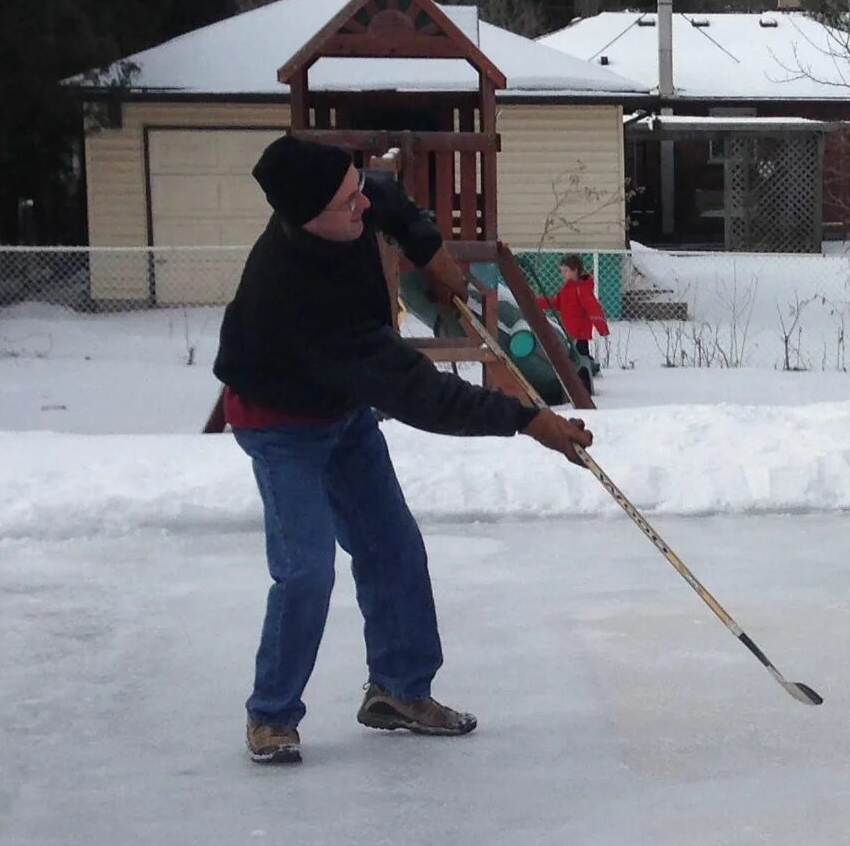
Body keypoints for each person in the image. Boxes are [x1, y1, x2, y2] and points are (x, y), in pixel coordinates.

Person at [213, 134, 593, 765]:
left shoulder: (351, 200)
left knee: (392, 545)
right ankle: (271, 714)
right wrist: (528, 421)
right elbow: (422, 395)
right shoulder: (301, 296)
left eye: (356, 188)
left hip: (341, 407)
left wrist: (431, 253)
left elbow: (388, 199)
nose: (361, 205)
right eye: (346, 203)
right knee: (307, 568)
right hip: (280, 423)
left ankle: (399, 688)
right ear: (306, 218)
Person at [548, 254, 612, 388]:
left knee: (581, 358)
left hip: (579, 332)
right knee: (576, 357)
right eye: (562, 271)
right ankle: (582, 379)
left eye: (565, 271)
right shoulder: (568, 288)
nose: (563, 274)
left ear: (575, 270)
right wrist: (535, 302)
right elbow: (557, 302)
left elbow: (593, 308)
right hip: (569, 330)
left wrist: (602, 327)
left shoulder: (581, 289)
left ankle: (587, 381)